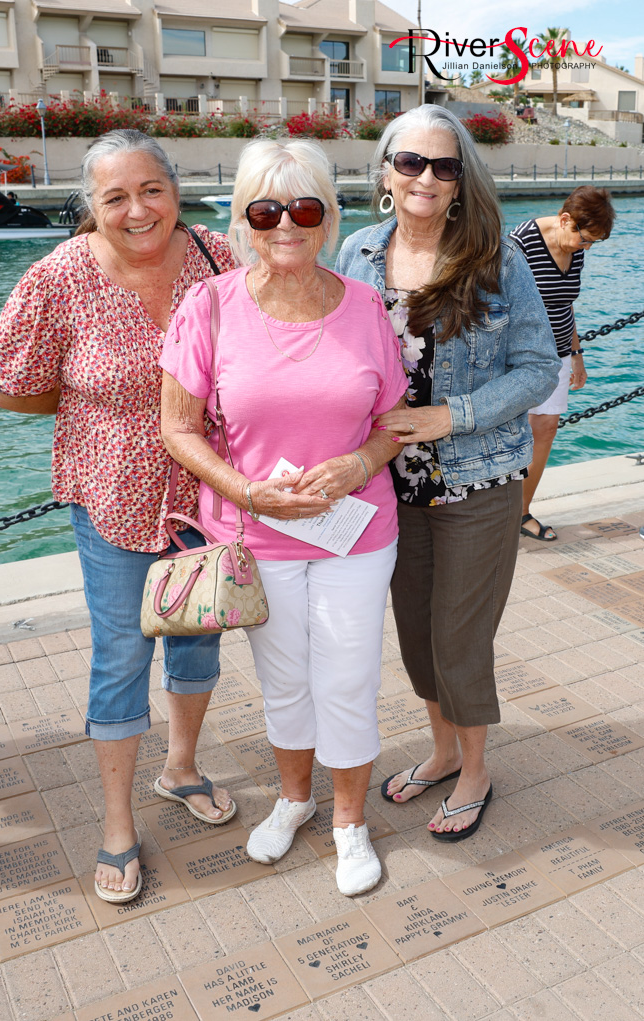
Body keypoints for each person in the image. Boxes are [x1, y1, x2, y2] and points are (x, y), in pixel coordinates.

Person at [0, 129, 236, 905]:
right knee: (121, 654)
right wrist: (103, 406)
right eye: (114, 196)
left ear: (174, 188)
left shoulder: (216, 255)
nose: (136, 210)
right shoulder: (56, 278)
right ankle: (118, 821)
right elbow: (9, 385)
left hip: (205, 494)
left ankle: (180, 766)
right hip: (114, 497)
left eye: (150, 189)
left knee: (197, 636)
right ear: (90, 206)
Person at [161, 139, 408, 896]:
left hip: (354, 532)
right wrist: (245, 490)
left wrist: (359, 465)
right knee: (284, 681)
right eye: (265, 210)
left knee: (346, 676)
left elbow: (393, 422)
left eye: (304, 208)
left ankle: (346, 821)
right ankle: (295, 799)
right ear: (241, 219)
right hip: (256, 534)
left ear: (329, 217)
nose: (285, 226)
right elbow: (177, 427)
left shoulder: (366, 304)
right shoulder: (207, 305)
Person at [336, 105, 559, 841]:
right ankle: (438, 748)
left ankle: (473, 768)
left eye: (443, 166)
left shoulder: (496, 257)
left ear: (461, 181)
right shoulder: (358, 253)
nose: (425, 178)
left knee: (460, 636)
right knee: (414, 632)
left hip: (476, 480)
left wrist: (450, 415)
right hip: (384, 484)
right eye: (410, 163)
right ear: (385, 173)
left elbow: (535, 368)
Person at [510, 186, 615, 541]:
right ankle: (493, 516)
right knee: (508, 435)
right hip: (518, 359)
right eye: (585, 239)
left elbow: (565, 304)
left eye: (592, 243)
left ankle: (521, 513)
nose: (585, 248)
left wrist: (576, 354)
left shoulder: (576, 248)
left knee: (546, 430)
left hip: (556, 355)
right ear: (566, 220)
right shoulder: (520, 243)